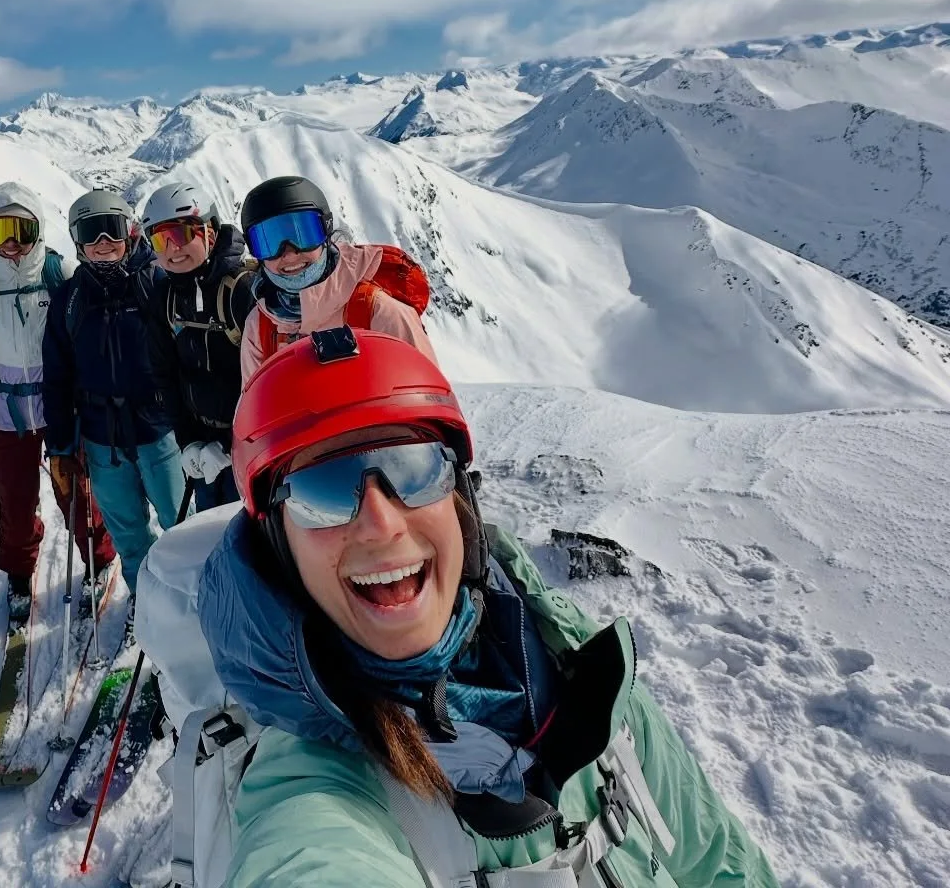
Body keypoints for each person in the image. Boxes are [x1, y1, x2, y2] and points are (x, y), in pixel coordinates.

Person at [190, 329, 780, 886]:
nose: (380, 523)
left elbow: (718, 861)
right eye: (322, 492)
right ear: (279, 548)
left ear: (460, 499)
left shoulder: (581, 671)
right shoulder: (313, 791)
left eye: (413, 470)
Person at [0, 182, 116, 613]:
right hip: (8, 413)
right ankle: (19, 573)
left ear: (38, 229)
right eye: (0, 230)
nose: (10, 243)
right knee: (15, 498)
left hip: (63, 407)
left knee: (76, 491)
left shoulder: (59, 273)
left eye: (21, 229)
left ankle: (98, 560)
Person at [43, 189, 186, 601]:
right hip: (101, 439)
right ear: (77, 242)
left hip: (158, 431)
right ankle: (148, 606)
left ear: (131, 231)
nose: (103, 242)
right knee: (129, 536)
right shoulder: (69, 301)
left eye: (112, 229)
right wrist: (61, 446)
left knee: (181, 526)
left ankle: (194, 604)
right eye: (92, 233)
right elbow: (56, 376)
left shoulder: (156, 283)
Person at [238, 174, 436, 381]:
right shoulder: (260, 326)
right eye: (268, 242)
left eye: (303, 233)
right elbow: (253, 408)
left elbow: (428, 400)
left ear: (326, 230)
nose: (288, 253)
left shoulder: (378, 312)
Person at [141, 179, 253, 511]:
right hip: (202, 452)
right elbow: (165, 376)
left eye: (182, 234)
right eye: (161, 239)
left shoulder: (242, 292)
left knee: (250, 540)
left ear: (211, 231)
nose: (173, 248)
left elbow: (267, 382)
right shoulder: (165, 299)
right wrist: (188, 442)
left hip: (250, 447)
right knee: (209, 537)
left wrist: (228, 445)